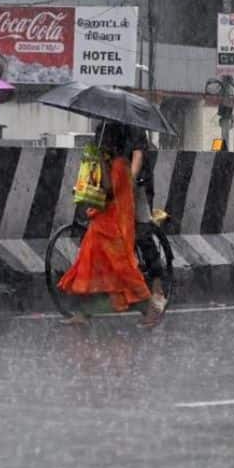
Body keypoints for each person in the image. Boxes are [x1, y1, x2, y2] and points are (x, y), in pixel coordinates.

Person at [56, 123, 152, 324]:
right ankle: (82, 312)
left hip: (113, 226)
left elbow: (108, 190)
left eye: (102, 138)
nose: (100, 142)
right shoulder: (110, 163)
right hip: (102, 223)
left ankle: (148, 306)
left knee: (122, 270)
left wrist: (99, 161)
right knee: (88, 266)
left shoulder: (119, 165)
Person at [127, 125, 168, 328]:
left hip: (138, 186)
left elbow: (138, 157)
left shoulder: (134, 129)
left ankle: (158, 289)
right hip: (116, 188)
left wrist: (129, 180)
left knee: (142, 234)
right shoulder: (104, 129)